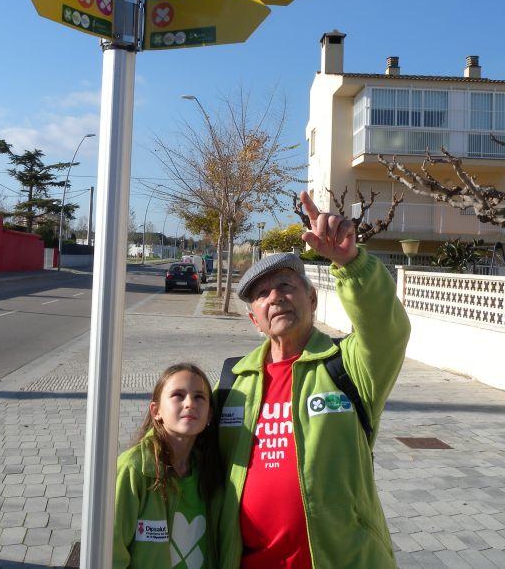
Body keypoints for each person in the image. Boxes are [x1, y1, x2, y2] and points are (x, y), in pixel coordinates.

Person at [215, 191, 410, 569]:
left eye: (286, 285)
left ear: (312, 298)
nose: (275, 297)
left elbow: (387, 329)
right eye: (261, 294)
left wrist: (350, 263)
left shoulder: (348, 365)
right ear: (255, 319)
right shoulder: (232, 383)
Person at [114, 363, 221, 569]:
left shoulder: (210, 470)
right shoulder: (134, 469)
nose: (189, 403)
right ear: (156, 411)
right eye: (178, 395)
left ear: (209, 415)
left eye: (199, 397)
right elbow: (111, 553)